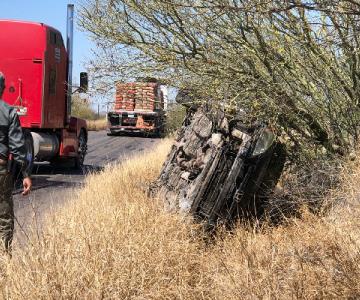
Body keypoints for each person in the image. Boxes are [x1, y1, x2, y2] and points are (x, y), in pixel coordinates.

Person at [0, 72, 32, 251]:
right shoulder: (9, 112)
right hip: (1, 170)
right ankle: (5, 256)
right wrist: (25, 174)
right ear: (3, 89)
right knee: (4, 216)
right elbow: (18, 147)